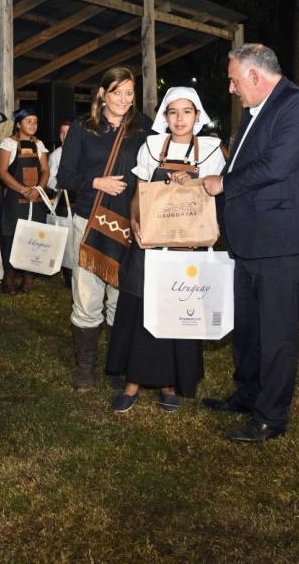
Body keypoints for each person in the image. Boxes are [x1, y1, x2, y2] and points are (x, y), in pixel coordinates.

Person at [200, 44, 299, 442]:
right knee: (249, 328)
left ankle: (271, 416)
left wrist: (223, 184)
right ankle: (248, 394)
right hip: (250, 240)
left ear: (255, 75)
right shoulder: (255, 111)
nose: (232, 89)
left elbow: (276, 165)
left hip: (284, 242)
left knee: (276, 332)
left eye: (234, 80)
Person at [105, 87, 226, 413]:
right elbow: (139, 192)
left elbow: (217, 193)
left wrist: (193, 183)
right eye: (173, 112)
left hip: (187, 248)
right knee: (140, 308)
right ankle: (133, 382)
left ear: (197, 116)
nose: (180, 118)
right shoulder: (152, 146)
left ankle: (172, 382)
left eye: (187, 112)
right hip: (150, 243)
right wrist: (134, 221)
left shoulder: (212, 151)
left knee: (178, 310)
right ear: (165, 116)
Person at [58, 66, 151, 392]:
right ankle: (86, 368)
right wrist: (96, 181)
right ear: (102, 93)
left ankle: (117, 365)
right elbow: (64, 178)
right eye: (117, 92)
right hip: (89, 222)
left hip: (129, 225)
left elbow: (156, 170)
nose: (124, 99)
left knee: (121, 298)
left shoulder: (144, 128)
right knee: (86, 296)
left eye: (129, 93)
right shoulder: (84, 128)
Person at [0, 108, 50, 295]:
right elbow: (2, 172)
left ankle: (28, 277)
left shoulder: (39, 144)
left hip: (35, 199)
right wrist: (23, 190)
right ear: (18, 124)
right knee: (11, 236)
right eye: (29, 121)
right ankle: (8, 278)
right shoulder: (8, 144)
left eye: (35, 122)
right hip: (14, 198)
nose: (33, 125)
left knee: (33, 237)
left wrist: (38, 189)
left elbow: (45, 170)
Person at [47, 118, 74, 287]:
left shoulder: (84, 152)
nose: (65, 136)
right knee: (66, 239)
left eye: (68, 133)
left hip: (82, 202)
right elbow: (49, 178)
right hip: (64, 201)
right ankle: (69, 275)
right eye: (62, 133)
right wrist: (60, 185)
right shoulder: (55, 155)